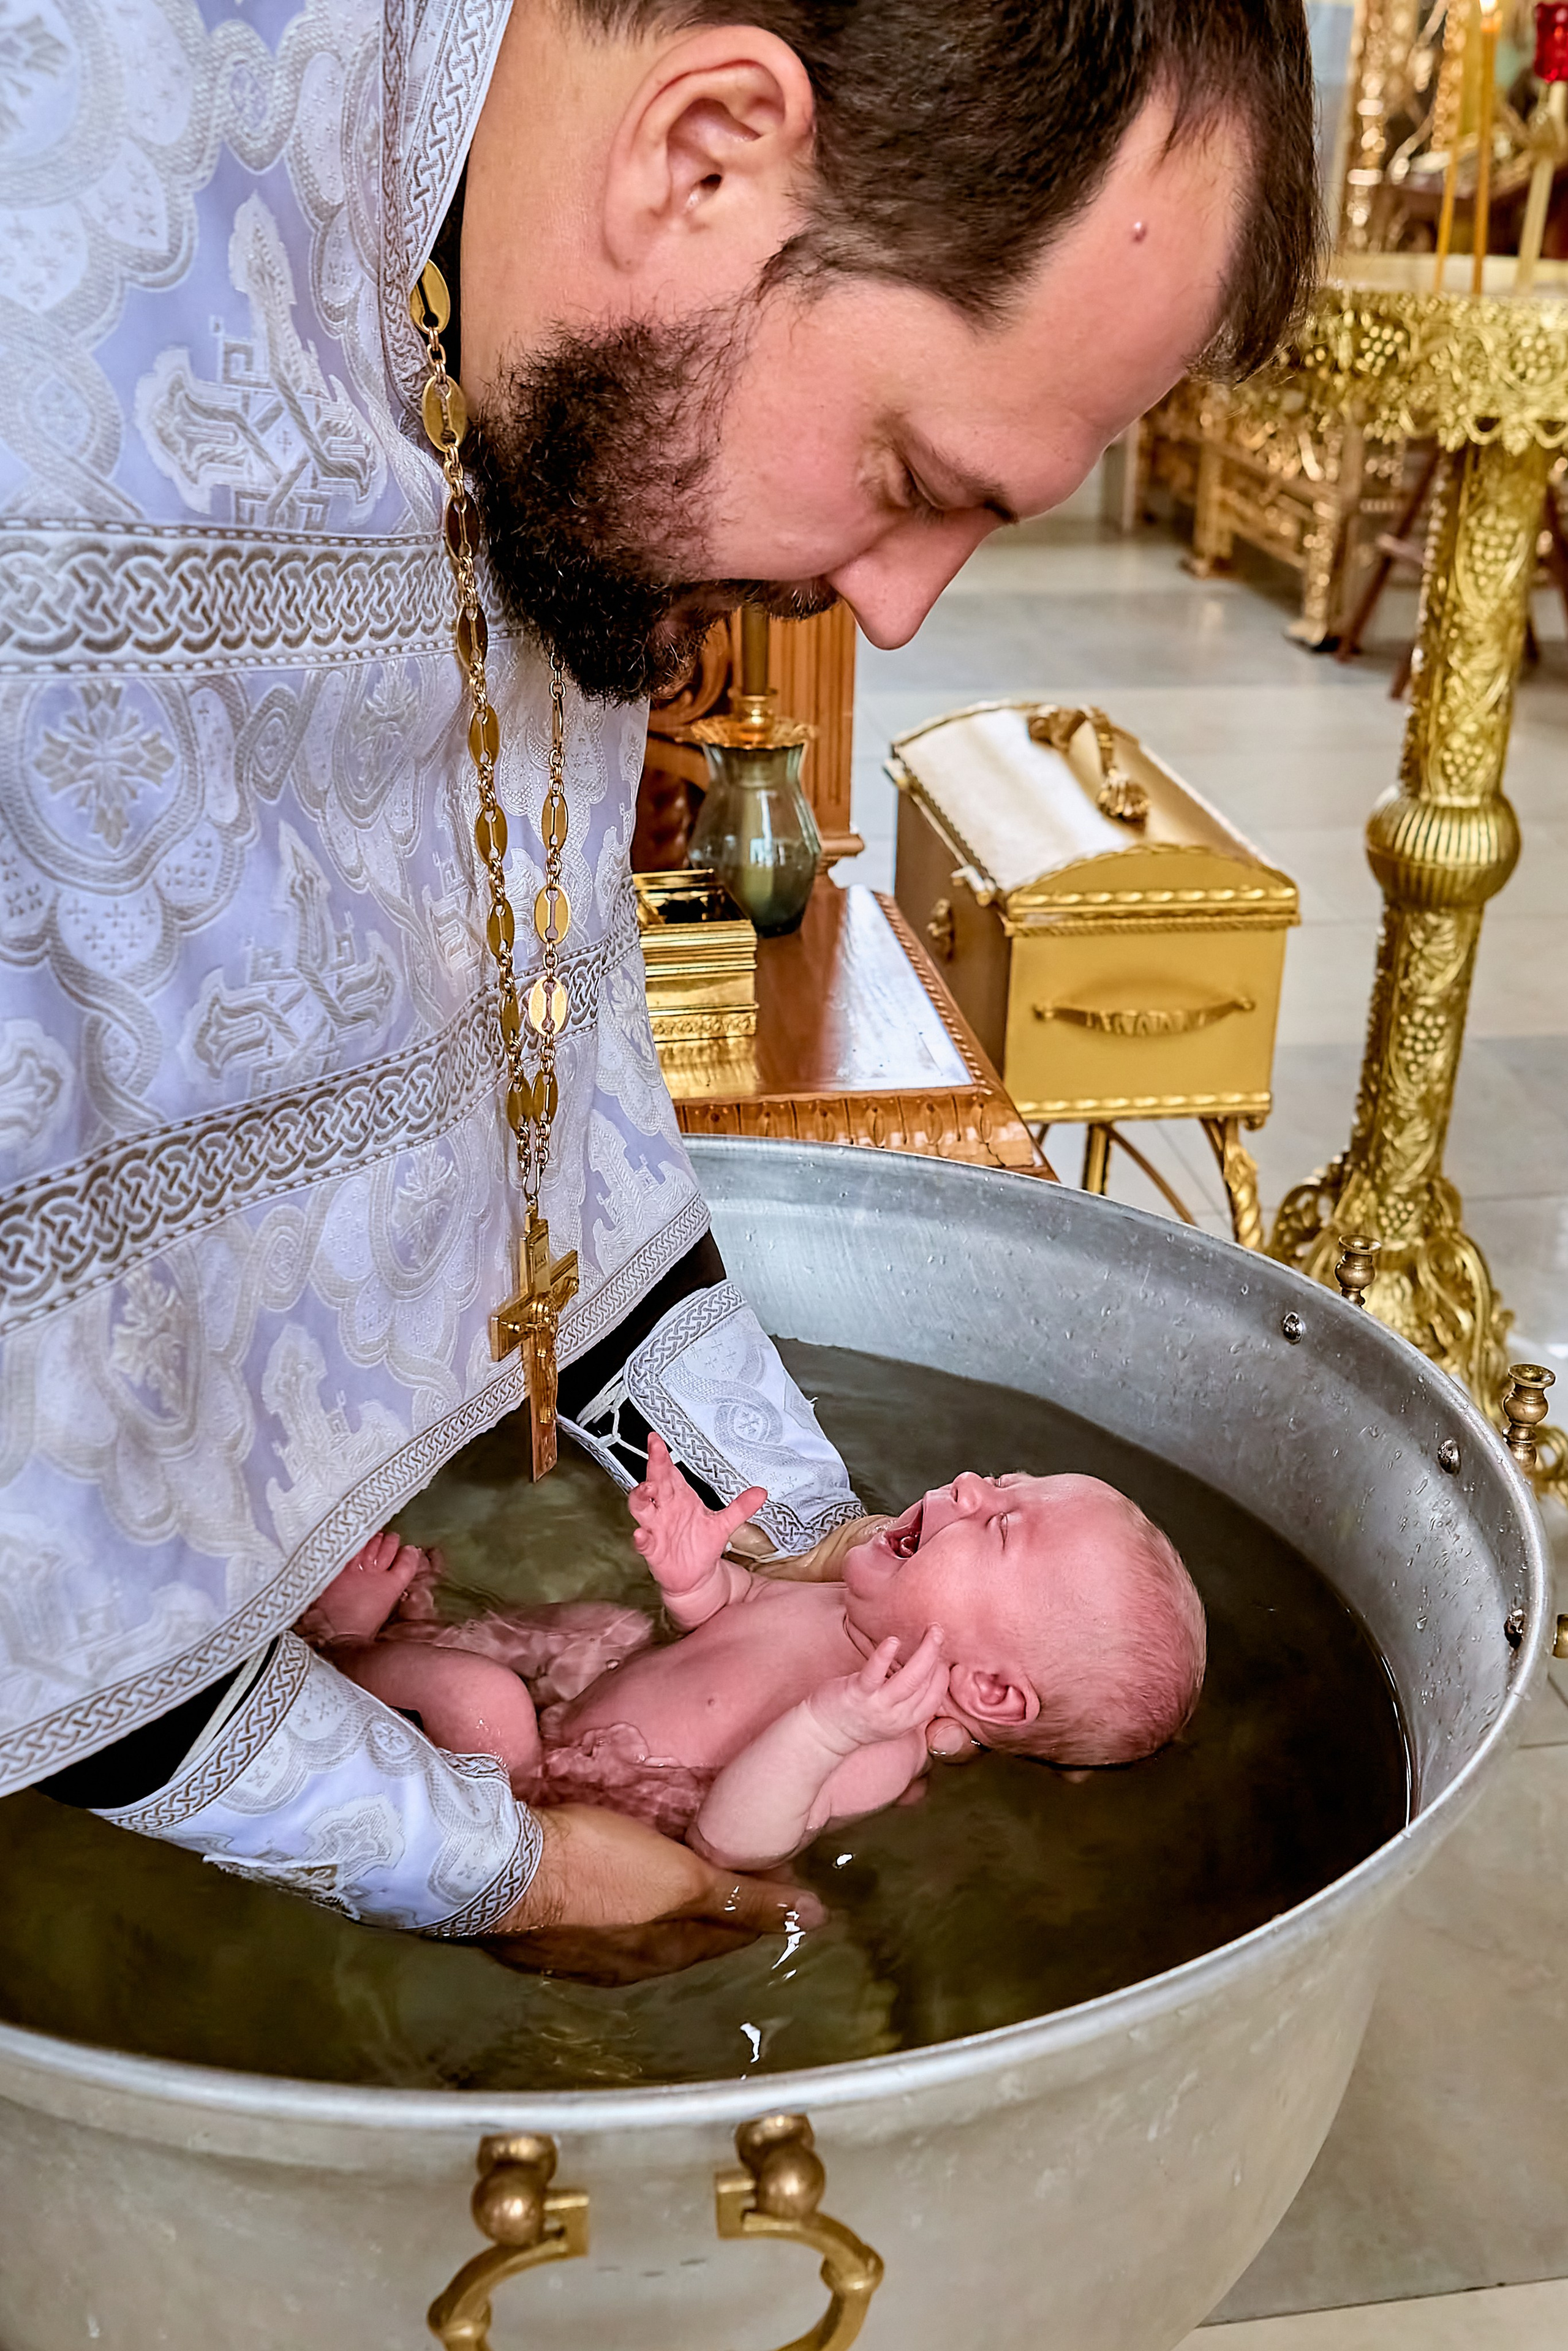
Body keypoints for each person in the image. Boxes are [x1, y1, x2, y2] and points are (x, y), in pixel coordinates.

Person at [0, 0, 1316, 1952]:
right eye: (912, 471)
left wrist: (789, 1525)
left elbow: (526, 1053)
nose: (897, 599)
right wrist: (509, 1860)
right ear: (703, 153)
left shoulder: (551, 355)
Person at [298, 1435, 1206, 1871]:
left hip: (562, 1803)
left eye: (998, 1525)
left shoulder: (878, 1743)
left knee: (486, 1701)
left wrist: (826, 1726)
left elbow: (730, 1841)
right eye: (1005, 1481)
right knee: (603, 1629)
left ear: (991, 1693)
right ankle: (411, 1638)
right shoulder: (836, 1601)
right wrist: (694, 1577)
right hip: (588, 1717)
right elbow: (731, 1612)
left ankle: (333, 1655)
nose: (970, 1484)